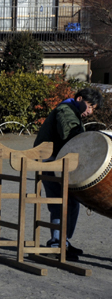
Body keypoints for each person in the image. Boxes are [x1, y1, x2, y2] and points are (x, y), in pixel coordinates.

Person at [33, 87, 103, 260]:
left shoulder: (72, 111)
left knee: (71, 202)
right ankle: (57, 244)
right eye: (89, 106)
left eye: (93, 109)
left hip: (60, 162)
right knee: (61, 202)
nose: (90, 111)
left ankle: (63, 241)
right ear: (79, 99)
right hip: (51, 162)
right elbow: (70, 134)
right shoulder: (65, 110)